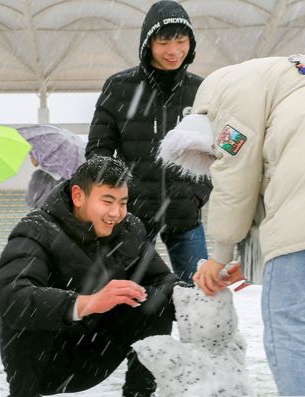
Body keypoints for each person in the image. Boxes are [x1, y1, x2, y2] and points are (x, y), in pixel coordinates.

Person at [192, 55, 305, 397]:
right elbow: (276, 177)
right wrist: (253, 261)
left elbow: (237, 175)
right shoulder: (300, 81)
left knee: (290, 327)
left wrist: (218, 256)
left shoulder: (228, 92)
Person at [0, 157, 178, 397]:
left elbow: (163, 279)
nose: (116, 213)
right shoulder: (35, 229)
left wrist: (201, 292)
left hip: (98, 349)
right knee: (23, 309)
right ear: (78, 195)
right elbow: (12, 295)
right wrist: (86, 303)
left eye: (123, 202)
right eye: (107, 201)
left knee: (156, 299)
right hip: (47, 359)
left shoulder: (130, 229)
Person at [86, 0, 211, 283]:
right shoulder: (119, 87)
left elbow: (216, 150)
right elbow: (98, 149)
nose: (174, 51)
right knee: (130, 294)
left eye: (181, 41)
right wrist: (116, 195)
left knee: (200, 296)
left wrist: (197, 194)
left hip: (185, 214)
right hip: (133, 215)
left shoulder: (202, 90)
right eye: (164, 42)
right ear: (148, 43)